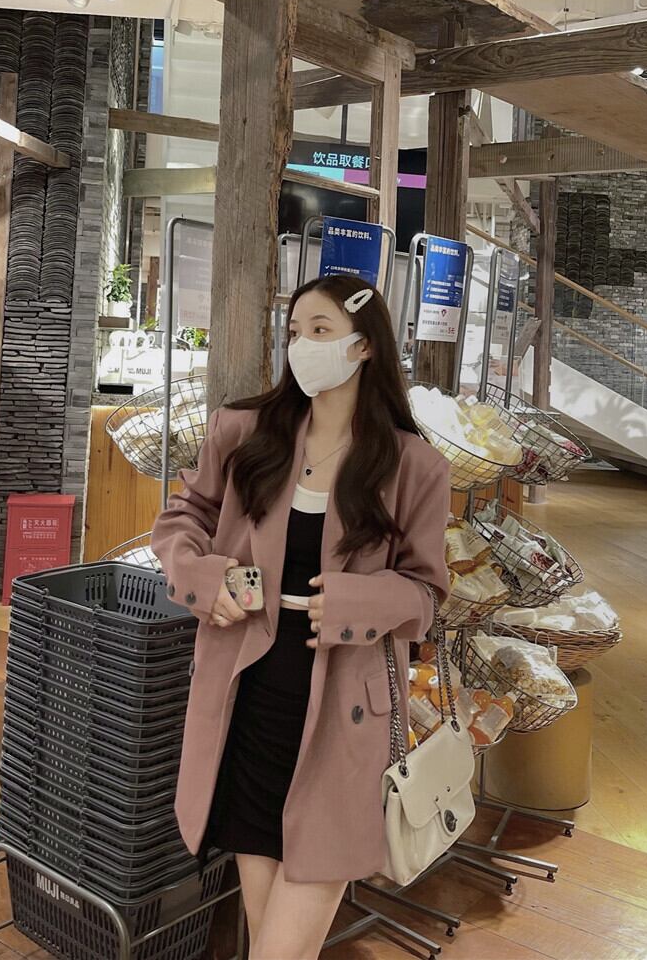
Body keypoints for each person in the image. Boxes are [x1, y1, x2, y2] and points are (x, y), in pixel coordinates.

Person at [151, 275, 451, 960]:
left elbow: (427, 594)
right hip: (245, 700)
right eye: (294, 332)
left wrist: (355, 603)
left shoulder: (413, 465)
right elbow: (183, 519)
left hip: (343, 714)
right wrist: (203, 577)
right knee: (270, 937)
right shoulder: (245, 432)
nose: (301, 346)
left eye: (319, 331)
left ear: (364, 346)